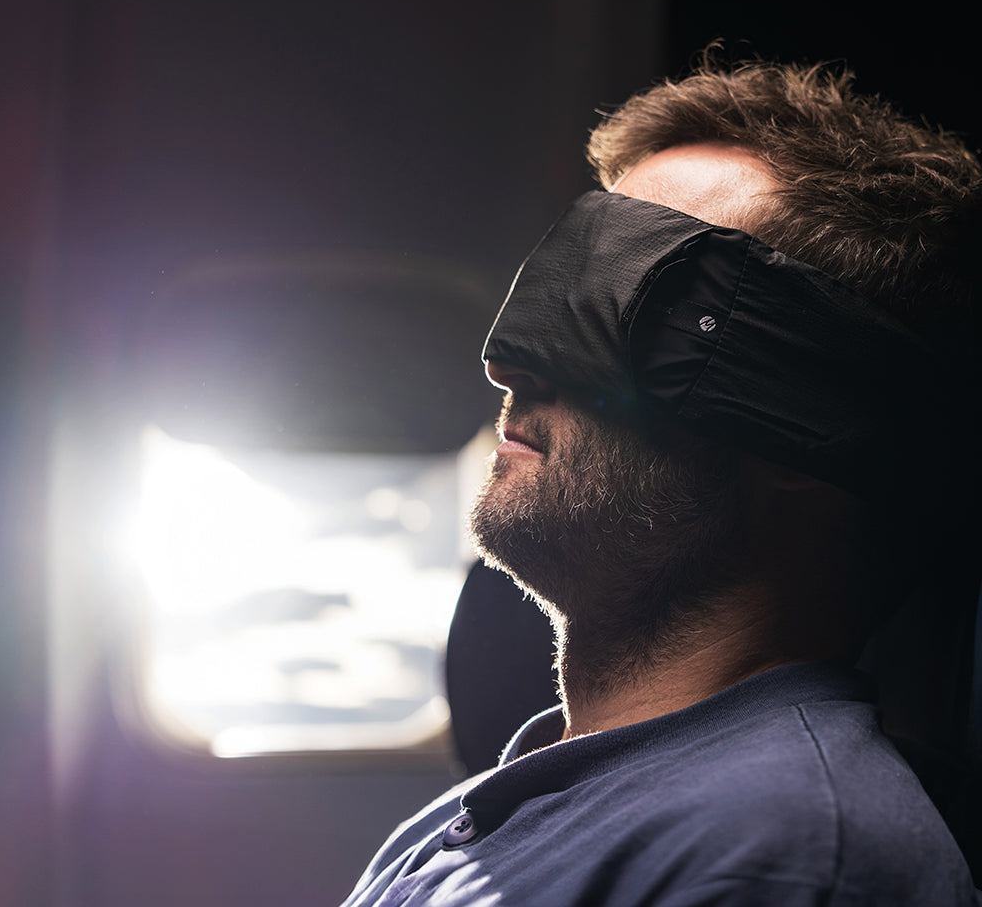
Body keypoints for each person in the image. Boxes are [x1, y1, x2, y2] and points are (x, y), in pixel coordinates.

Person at [340, 55, 982, 905]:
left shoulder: (775, 857)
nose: (511, 364)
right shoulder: (504, 806)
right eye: (561, 282)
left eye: (631, 307)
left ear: (807, 421)